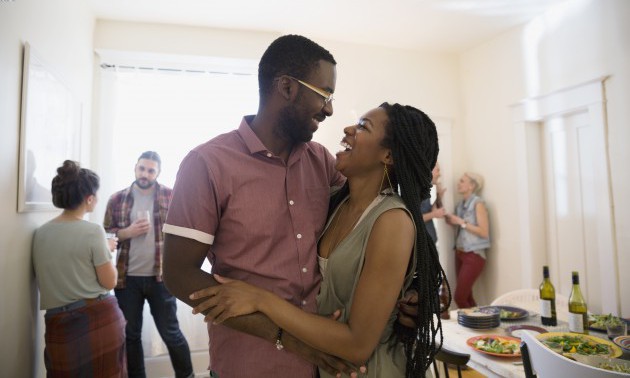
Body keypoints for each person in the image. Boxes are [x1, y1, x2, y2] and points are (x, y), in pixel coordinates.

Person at [191, 103, 449, 377]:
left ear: (388, 155)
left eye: (363, 127)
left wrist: (259, 299)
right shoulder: (337, 202)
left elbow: (357, 345)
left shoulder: (392, 221)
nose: (348, 128)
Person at [162, 34, 355, 377]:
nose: (329, 109)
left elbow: (365, 226)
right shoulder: (207, 163)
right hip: (248, 364)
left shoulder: (322, 162)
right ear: (287, 87)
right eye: (324, 94)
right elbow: (178, 275)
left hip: (324, 365)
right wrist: (288, 337)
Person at [32, 160, 126, 377]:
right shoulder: (94, 232)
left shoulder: (41, 233)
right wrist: (106, 250)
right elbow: (109, 281)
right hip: (97, 317)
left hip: (57, 322)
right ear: (89, 199)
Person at [104, 151, 193, 378]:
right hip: (127, 279)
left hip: (161, 278)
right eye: (142, 168)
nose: (145, 174)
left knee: (171, 334)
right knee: (131, 336)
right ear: (135, 168)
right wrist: (126, 232)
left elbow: (185, 230)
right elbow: (105, 237)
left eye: (151, 170)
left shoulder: (170, 196)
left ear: (158, 172)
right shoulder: (117, 199)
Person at [445, 172, 490, 308]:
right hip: (460, 253)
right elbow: (460, 225)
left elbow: (484, 232)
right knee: (467, 296)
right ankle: (479, 324)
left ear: (471, 186)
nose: (458, 183)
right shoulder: (460, 205)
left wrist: (461, 222)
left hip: (474, 255)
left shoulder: (478, 204)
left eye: (462, 181)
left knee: (460, 297)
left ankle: (474, 324)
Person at [421, 162, 446, 244]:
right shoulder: (418, 191)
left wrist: (439, 196)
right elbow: (412, 219)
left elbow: (428, 211)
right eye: (438, 170)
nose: (439, 174)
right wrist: (434, 214)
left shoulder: (425, 190)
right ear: (429, 170)